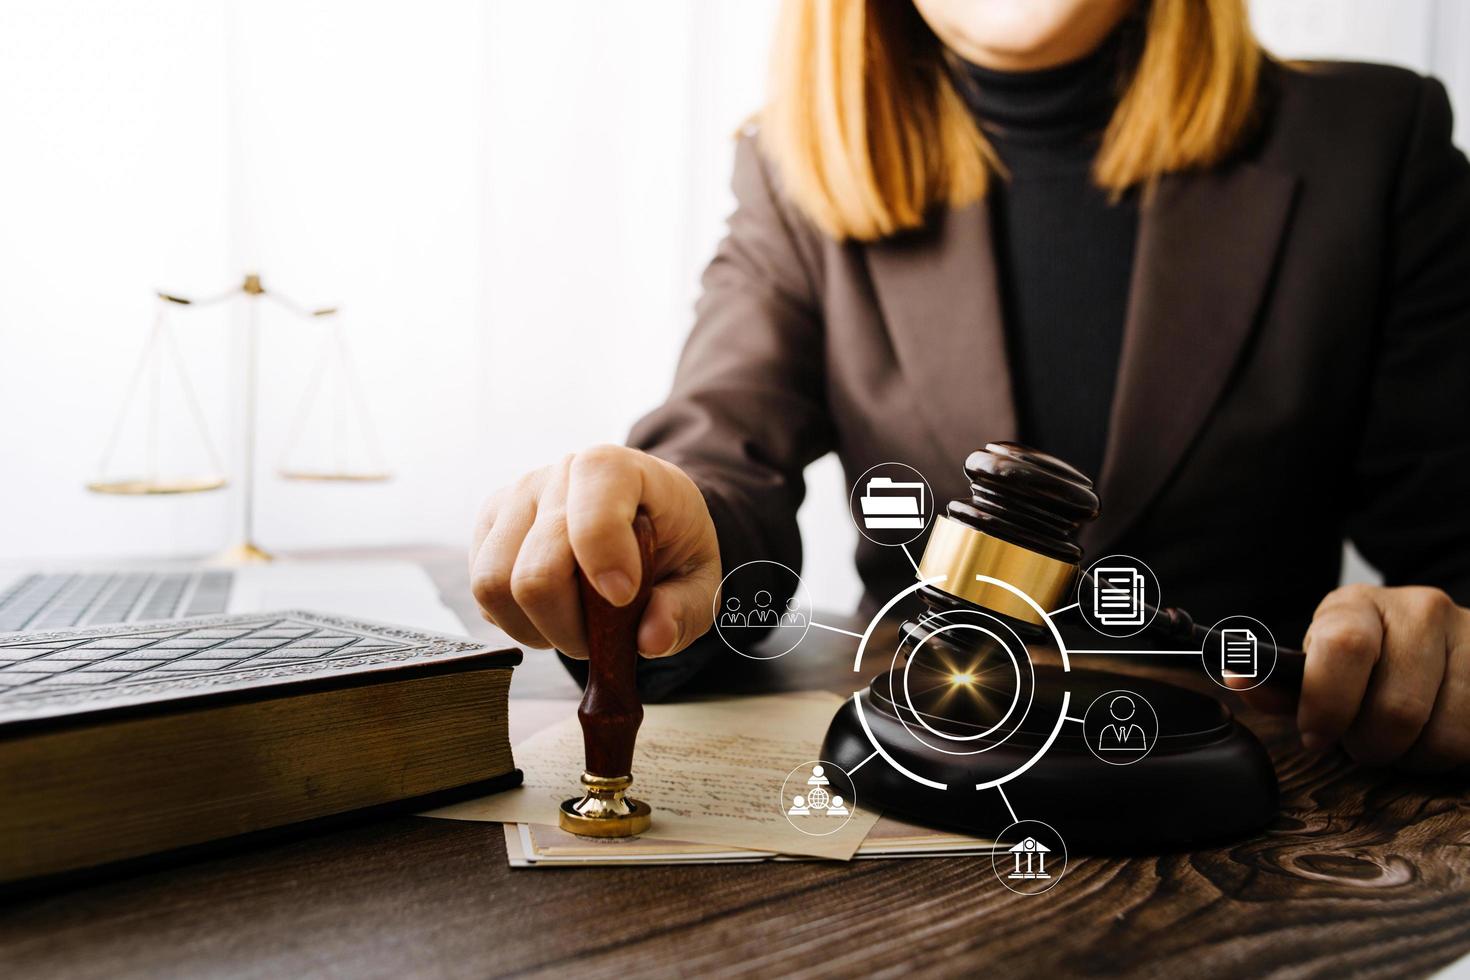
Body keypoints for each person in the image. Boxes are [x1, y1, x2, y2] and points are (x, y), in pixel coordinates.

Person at [469, 0, 1470, 771]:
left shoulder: (1374, 140)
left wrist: (1438, 647)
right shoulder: (791, 172)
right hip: (914, 792)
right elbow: (717, 467)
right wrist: (659, 535)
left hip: (1258, 798)